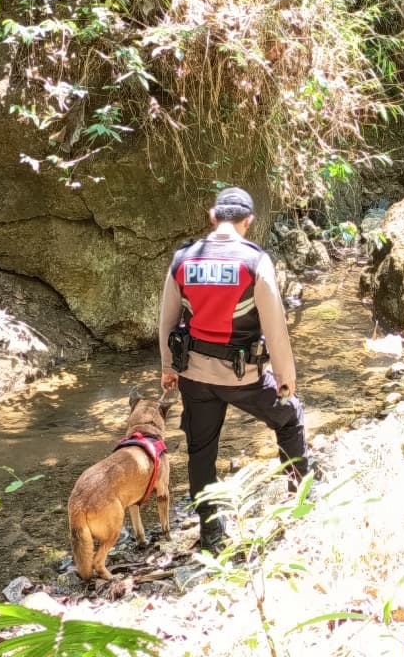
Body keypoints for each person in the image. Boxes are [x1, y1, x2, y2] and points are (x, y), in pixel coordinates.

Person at [158, 186, 308, 553]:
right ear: (249, 222)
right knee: (289, 416)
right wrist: (286, 377)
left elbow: (167, 320)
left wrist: (168, 368)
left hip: (193, 375)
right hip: (244, 378)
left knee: (201, 451)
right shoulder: (254, 262)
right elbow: (275, 326)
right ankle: (300, 498)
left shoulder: (183, 260)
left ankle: (211, 535)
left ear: (212, 216)